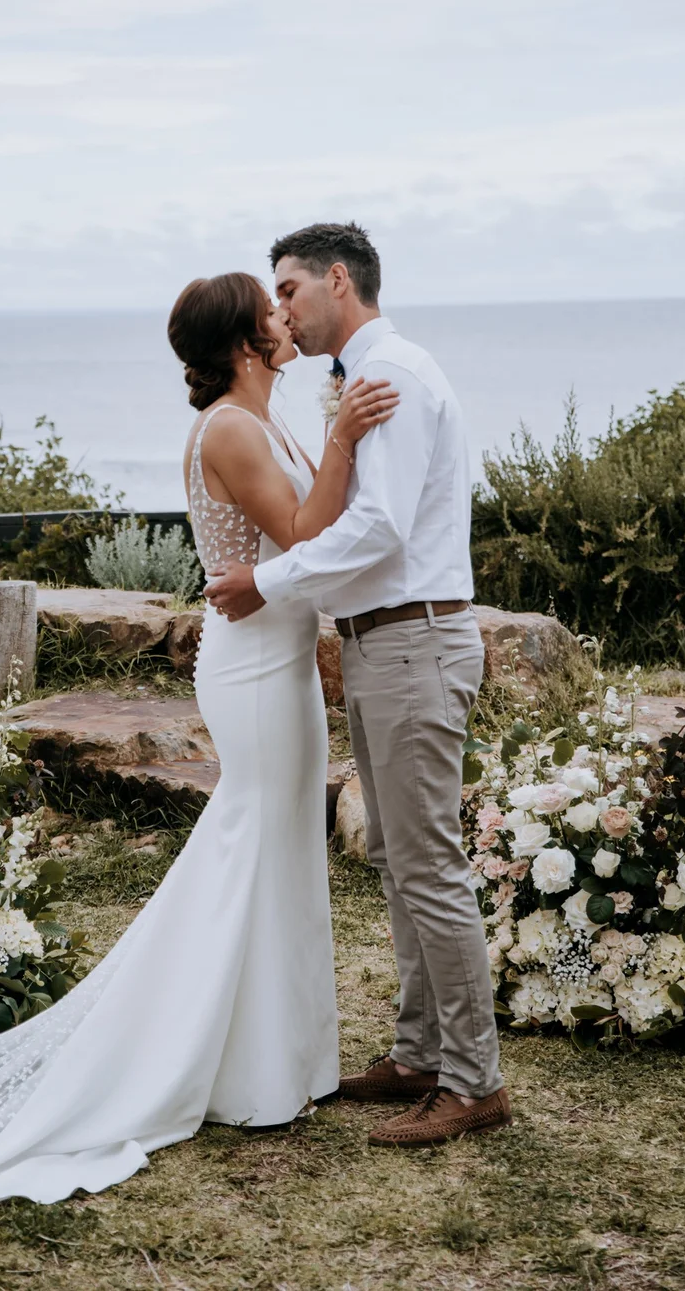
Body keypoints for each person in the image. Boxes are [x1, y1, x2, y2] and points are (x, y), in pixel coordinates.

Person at [0, 270, 397, 1245]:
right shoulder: (231, 427)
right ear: (241, 342)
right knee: (247, 846)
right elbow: (304, 532)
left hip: (278, 658)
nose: (285, 319)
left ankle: (279, 1062)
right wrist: (349, 436)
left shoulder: (260, 416)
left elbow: (308, 528)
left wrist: (337, 435)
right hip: (254, 668)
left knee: (278, 851)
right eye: (269, 310)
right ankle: (210, 1062)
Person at [206, 222, 511, 1147]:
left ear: (341, 280)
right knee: (394, 853)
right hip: (382, 644)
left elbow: (378, 529)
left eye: (291, 289)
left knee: (428, 863)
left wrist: (269, 581)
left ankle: (473, 1081)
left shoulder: (397, 378)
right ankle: (420, 1053)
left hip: (416, 642)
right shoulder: (361, 384)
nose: (284, 310)